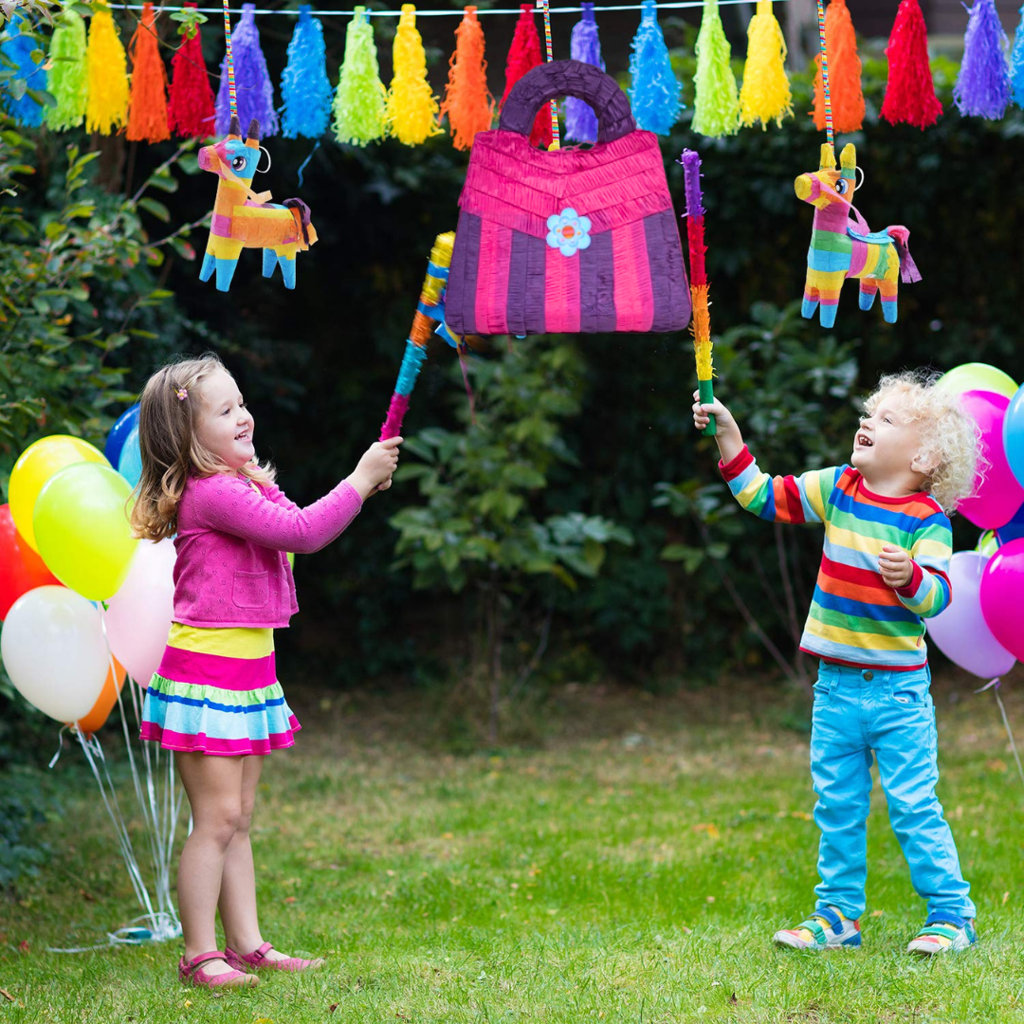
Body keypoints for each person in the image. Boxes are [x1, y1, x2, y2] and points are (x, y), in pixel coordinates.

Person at [131, 353, 401, 988]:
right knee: (217, 820)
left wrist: (260, 469)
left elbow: (288, 519)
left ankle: (247, 943)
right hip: (208, 678)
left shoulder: (239, 482)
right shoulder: (213, 492)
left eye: (242, 402)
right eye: (225, 411)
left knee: (239, 819)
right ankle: (200, 953)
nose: (244, 416)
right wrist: (359, 481)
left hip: (247, 674)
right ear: (187, 438)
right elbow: (302, 532)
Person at [692, 370, 982, 955]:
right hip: (835, 692)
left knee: (913, 807)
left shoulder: (927, 521)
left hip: (898, 696)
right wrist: (729, 435)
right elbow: (762, 495)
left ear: (923, 455)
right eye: (868, 414)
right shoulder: (839, 488)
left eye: (885, 419)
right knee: (838, 808)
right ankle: (837, 918)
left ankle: (952, 916)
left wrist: (911, 579)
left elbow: (940, 596)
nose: (865, 422)